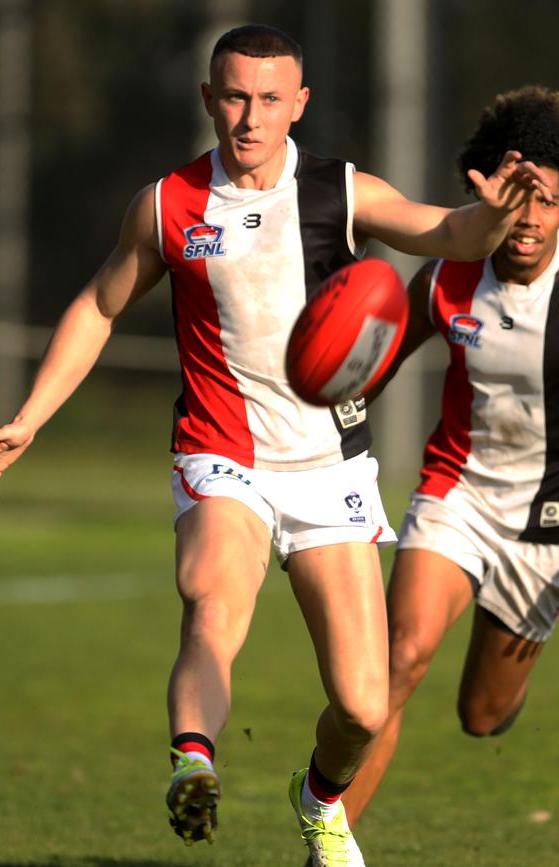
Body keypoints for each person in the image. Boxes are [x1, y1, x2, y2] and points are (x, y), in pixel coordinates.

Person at [0, 26, 552, 867]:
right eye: (234, 96)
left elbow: (447, 234)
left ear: (298, 104)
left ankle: (317, 799)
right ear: (209, 99)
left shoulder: (337, 190)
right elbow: (99, 306)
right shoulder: (168, 204)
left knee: (363, 702)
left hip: (328, 467)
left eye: (269, 99)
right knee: (213, 597)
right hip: (220, 452)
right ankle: (194, 760)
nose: (249, 117)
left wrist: (490, 218)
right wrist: (29, 416)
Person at [341, 84, 559, 832]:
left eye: (549, 202)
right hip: (455, 493)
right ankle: (327, 843)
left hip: (547, 526)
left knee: (480, 712)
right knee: (399, 660)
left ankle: (504, 686)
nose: (528, 220)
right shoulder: (449, 276)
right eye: (518, 197)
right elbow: (370, 366)